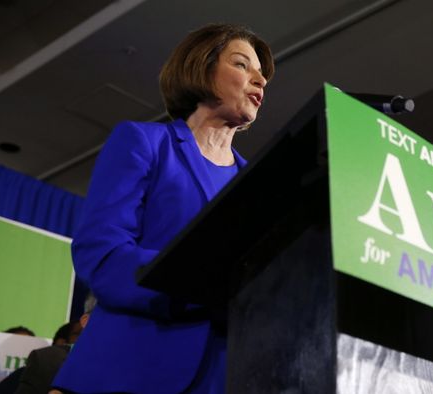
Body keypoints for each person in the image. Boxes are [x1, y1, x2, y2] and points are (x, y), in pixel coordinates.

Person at [51, 23, 274, 394]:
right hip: (127, 370)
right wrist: (193, 286)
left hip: (223, 377)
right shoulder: (145, 143)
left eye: (263, 75)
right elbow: (102, 255)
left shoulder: (258, 183)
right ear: (202, 67)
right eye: (242, 65)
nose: (260, 81)